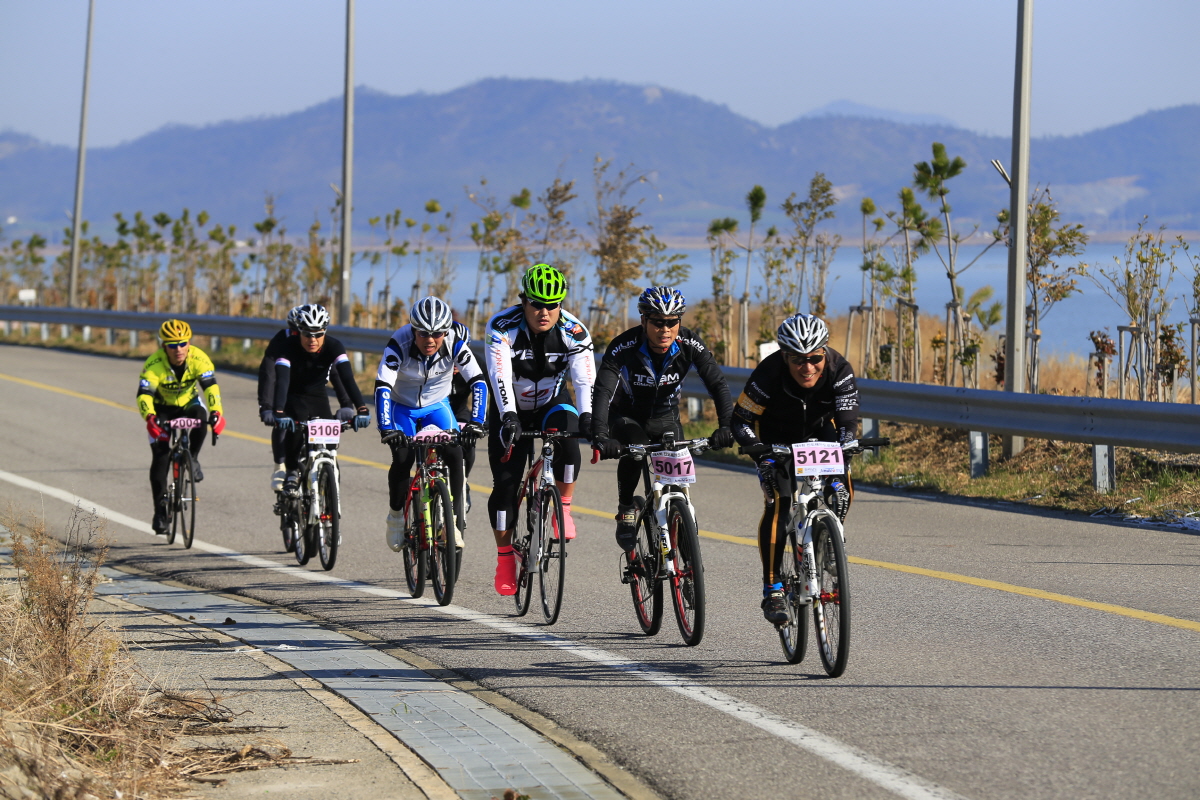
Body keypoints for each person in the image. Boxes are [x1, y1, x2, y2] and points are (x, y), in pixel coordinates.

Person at [730, 313, 859, 625]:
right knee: (779, 502)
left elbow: (847, 421)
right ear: (784, 356)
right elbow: (740, 421)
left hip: (819, 434)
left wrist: (847, 446)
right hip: (776, 440)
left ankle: (828, 541)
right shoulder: (769, 373)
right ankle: (773, 588)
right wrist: (761, 458)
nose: (808, 367)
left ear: (824, 353)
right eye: (798, 360)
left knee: (840, 488)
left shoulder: (838, 368)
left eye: (815, 358)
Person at [590, 286, 735, 552]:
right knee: (634, 453)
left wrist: (726, 425)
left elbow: (718, 385)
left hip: (666, 418)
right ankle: (626, 509)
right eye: (657, 322)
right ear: (644, 320)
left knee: (677, 485)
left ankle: (684, 536)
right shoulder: (624, 345)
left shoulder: (689, 344)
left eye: (672, 322)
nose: (665, 330)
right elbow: (603, 391)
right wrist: (600, 433)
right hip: (628, 418)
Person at [484, 263, 595, 595]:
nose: (544, 311)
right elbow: (498, 374)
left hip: (551, 403)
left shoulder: (574, 331)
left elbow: (583, 378)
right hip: (509, 408)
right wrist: (509, 417)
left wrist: (588, 417)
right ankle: (505, 558)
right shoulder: (502, 326)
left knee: (570, 441)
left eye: (553, 304)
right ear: (523, 301)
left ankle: (563, 506)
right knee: (505, 488)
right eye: (536, 304)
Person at [375, 297, 488, 551]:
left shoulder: (455, 343)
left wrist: (476, 422)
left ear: (445, 331)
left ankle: (454, 523)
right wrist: (386, 428)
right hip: (402, 407)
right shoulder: (398, 344)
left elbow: (478, 382)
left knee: (455, 453)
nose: (430, 339)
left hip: (437, 405)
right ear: (413, 330)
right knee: (403, 458)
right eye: (423, 333)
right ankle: (395, 517)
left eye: (437, 333)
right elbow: (383, 386)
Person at [136, 319, 226, 535]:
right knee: (161, 457)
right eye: (172, 345)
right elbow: (144, 395)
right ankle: (160, 510)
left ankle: (192, 458)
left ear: (188, 343)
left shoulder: (199, 358)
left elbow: (211, 388)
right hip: (161, 409)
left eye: (183, 343)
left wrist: (217, 413)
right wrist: (150, 417)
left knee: (201, 417)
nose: (179, 349)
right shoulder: (154, 364)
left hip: (188, 404)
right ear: (163, 346)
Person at [271, 304, 370, 491]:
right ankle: (292, 470)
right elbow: (282, 382)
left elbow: (347, 378)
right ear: (299, 332)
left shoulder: (334, 346)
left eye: (318, 334)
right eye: (307, 334)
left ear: (325, 331)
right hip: (293, 394)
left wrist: (361, 408)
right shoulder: (286, 347)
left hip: (318, 396)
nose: (312, 339)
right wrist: (279, 411)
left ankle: (328, 485)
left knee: (329, 444)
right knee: (297, 420)